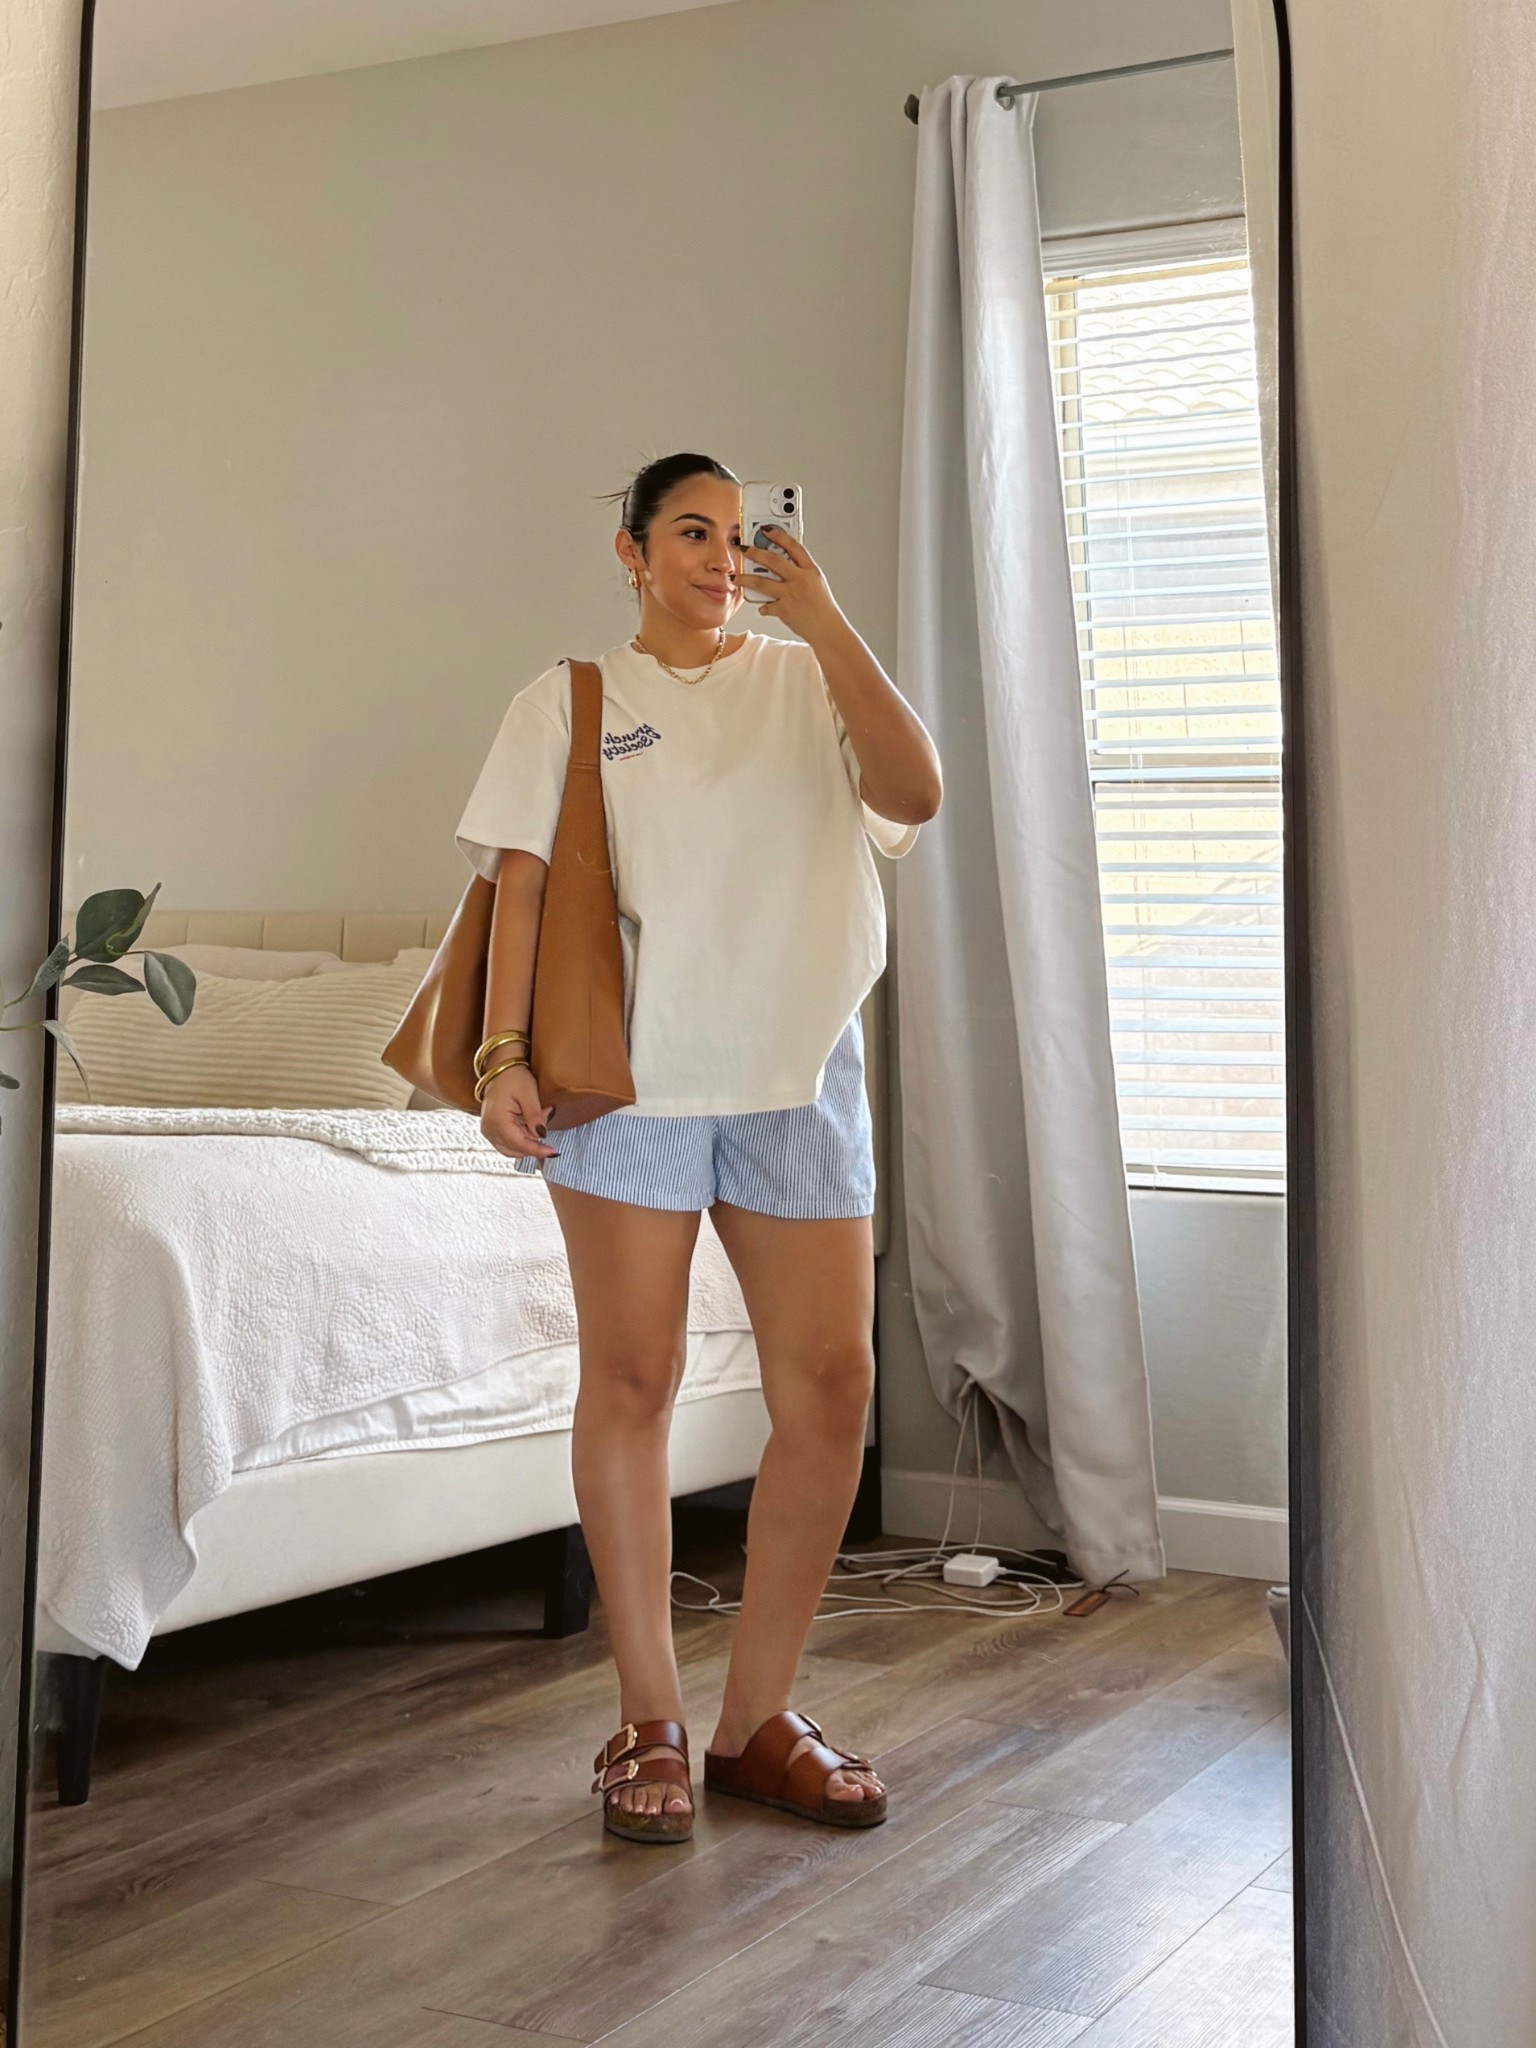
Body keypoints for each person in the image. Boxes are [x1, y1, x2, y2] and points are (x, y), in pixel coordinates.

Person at [454, 452, 942, 1843]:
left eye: (739, 534)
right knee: (633, 1381)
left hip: (800, 1073)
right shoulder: (568, 699)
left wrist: (825, 620)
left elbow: (914, 795)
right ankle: (650, 1721)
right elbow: (523, 892)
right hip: (630, 1083)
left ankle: (757, 1723)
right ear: (630, 550)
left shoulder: (810, 678)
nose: (723, 556)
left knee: (833, 1387)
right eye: (691, 530)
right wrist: (500, 1059)